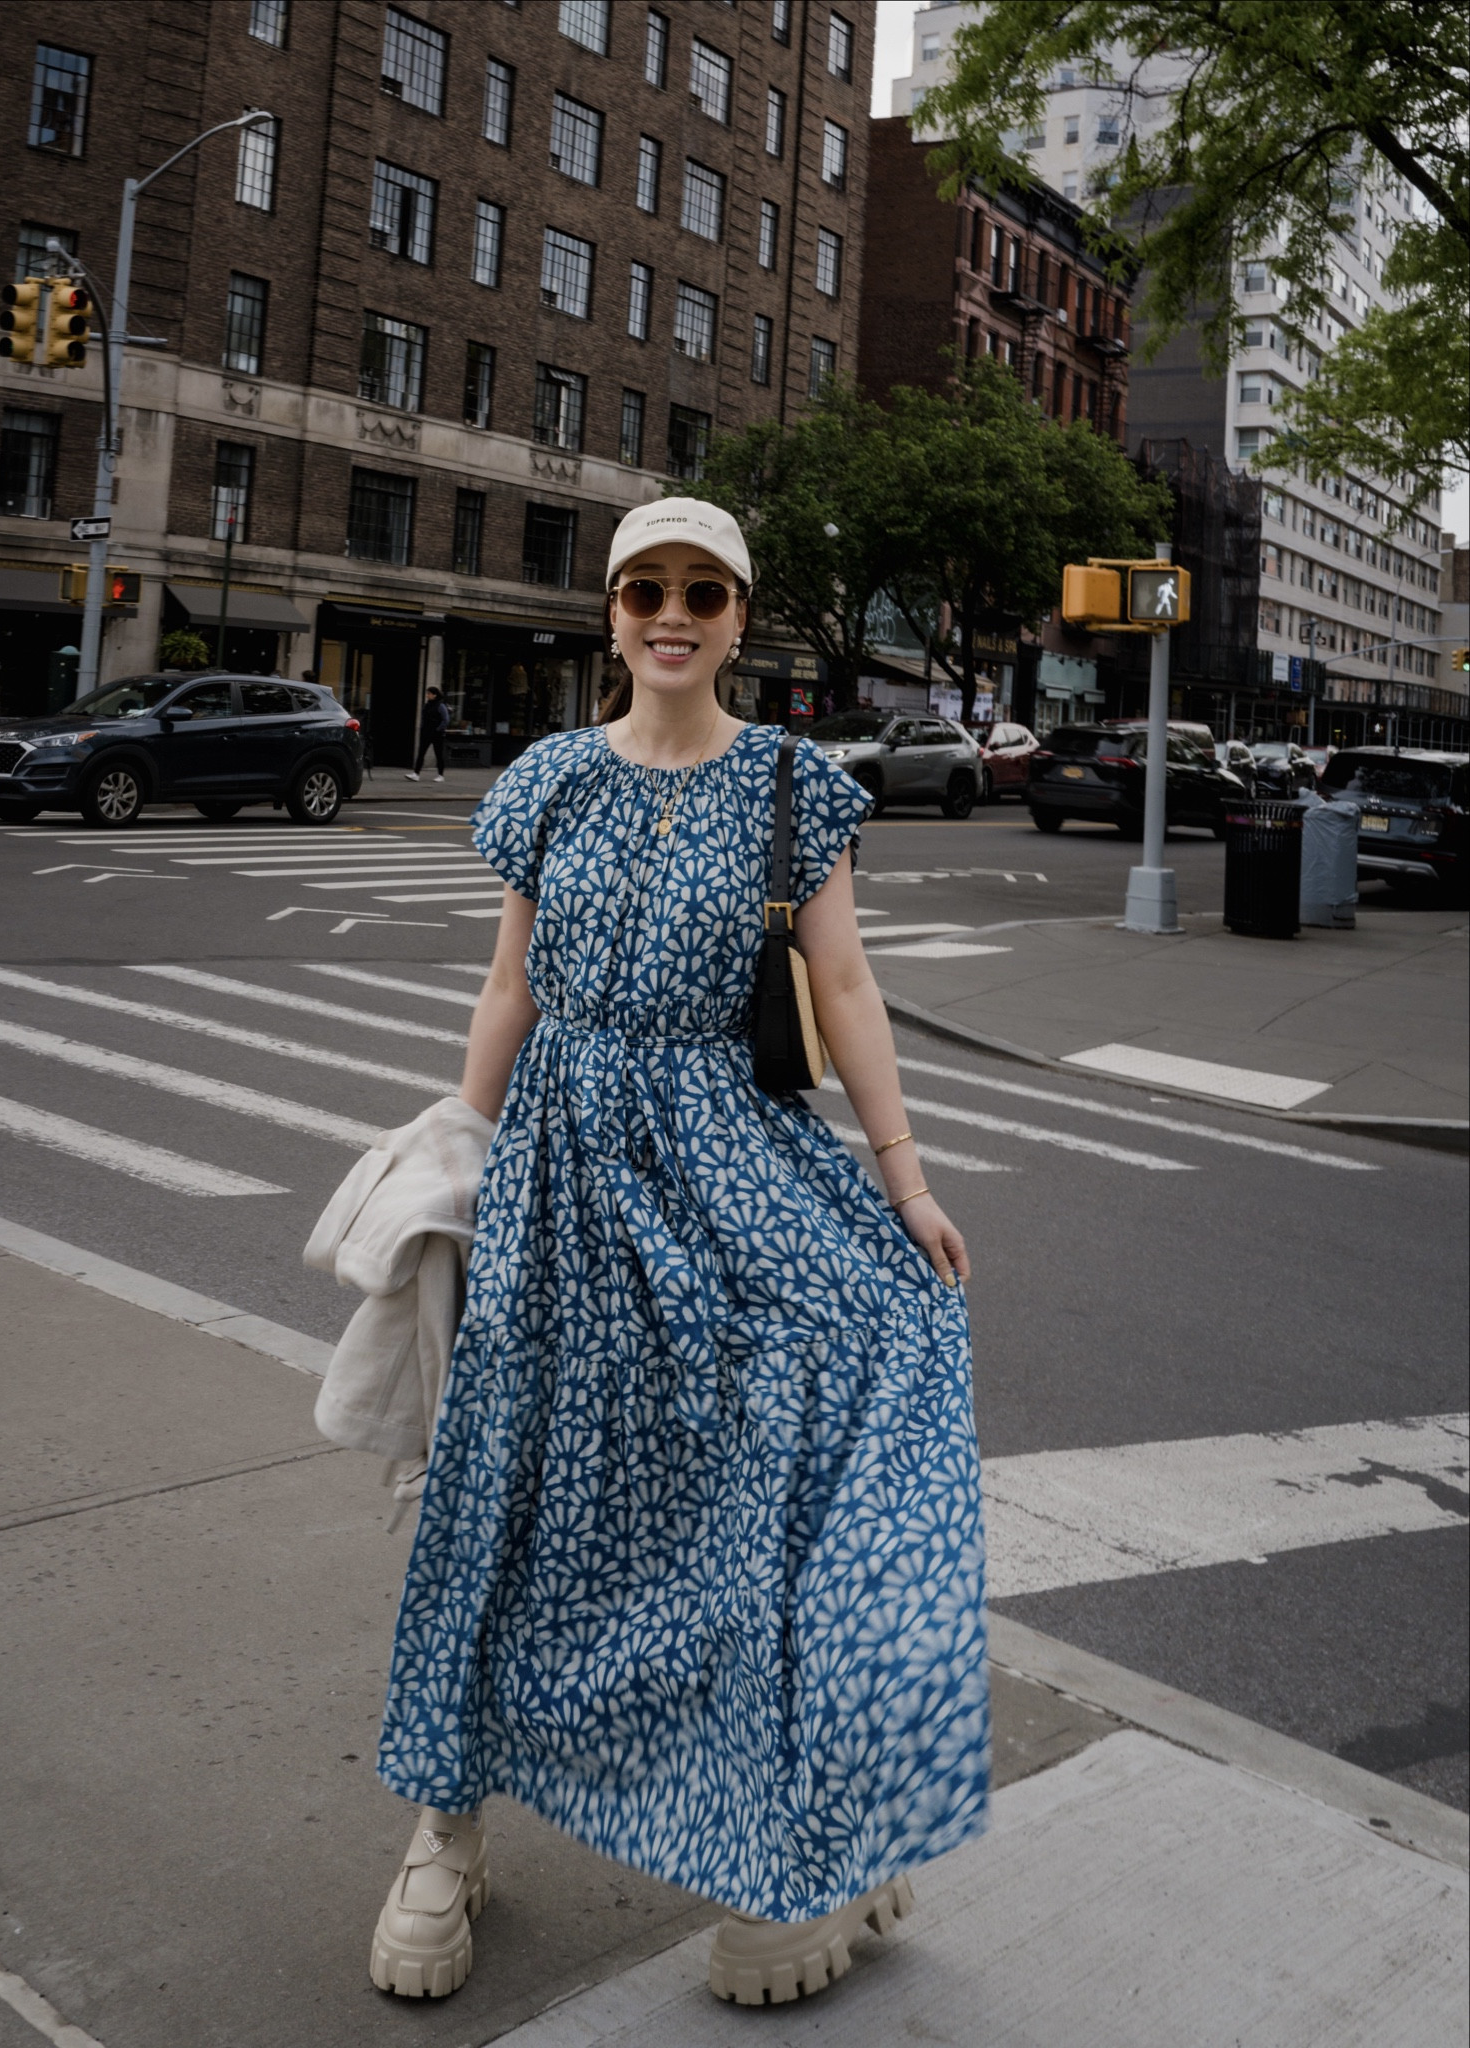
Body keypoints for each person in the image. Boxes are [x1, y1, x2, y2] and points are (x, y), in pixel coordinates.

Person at [369, 499, 986, 2008]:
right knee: (502, 1492)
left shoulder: (792, 786)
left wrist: (901, 1181)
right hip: (560, 1169)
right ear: (610, 612)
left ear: (736, 617)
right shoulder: (549, 781)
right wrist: (454, 1144)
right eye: (645, 588)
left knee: (805, 1431)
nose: (671, 612)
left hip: (721, 1146)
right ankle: (440, 1838)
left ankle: (808, 1843)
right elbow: (508, 986)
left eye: (702, 592)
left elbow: (841, 985)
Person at [406, 685, 449, 781]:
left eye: (429, 694)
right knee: (421, 753)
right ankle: (416, 774)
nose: (427, 695)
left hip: (437, 734)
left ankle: (440, 775)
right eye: (427, 693)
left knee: (438, 754)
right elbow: (423, 717)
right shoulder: (427, 705)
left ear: (434, 695)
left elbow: (445, 720)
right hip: (426, 732)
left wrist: (438, 729)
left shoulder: (440, 705)